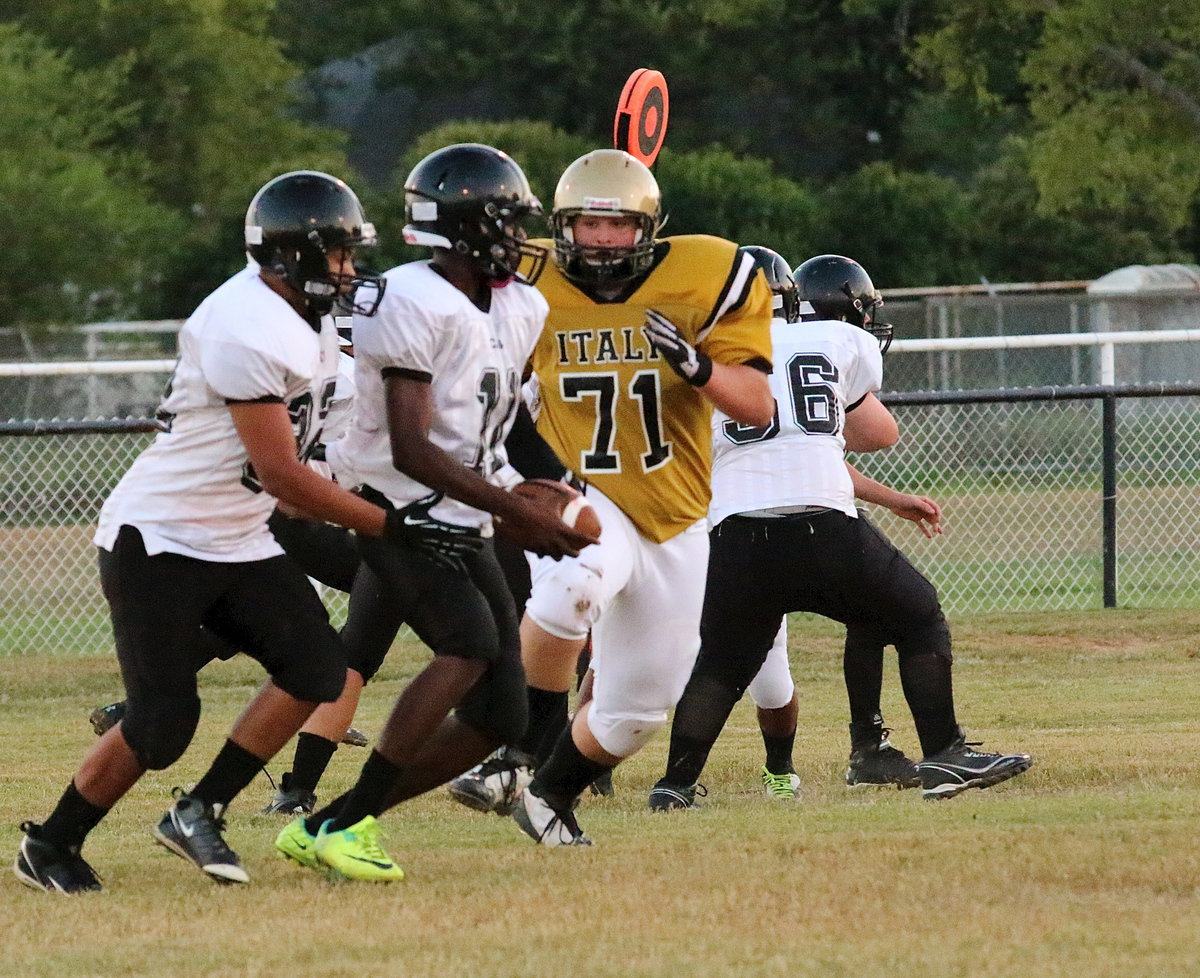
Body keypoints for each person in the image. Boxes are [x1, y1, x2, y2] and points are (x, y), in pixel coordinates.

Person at [13, 170, 410, 893]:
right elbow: (283, 475)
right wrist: (391, 528)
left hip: (240, 533)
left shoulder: (312, 324)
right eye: (339, 253)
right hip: (161, 538)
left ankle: (199, 810)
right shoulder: (244, 321)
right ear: (294, 254)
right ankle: (51, 843)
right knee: (163, 724)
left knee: (316, 670)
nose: (349, 269)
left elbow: (321, 460)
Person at [273, 143, 598, 881]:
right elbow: (413, 447)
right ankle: (344, 826)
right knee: (466, 648)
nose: (520, 238)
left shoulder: (522, 304)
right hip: (400, 507)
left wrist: (537, 491)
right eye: (508, 222)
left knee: (503, 715)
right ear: (467, 227)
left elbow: (490, 433)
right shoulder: (407, 298)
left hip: (463, 510)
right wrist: (520, 514)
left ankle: (326, 822)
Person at [448, 148, 775, 845]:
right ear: (560, 226)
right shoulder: (522, 277)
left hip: (675, 510)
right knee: (574, 581)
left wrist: (698, 366)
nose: (601, 240)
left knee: (639, 707)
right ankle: (515, 752)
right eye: (586, 225)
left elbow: (756, 405)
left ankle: (548, 797)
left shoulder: (708, 273)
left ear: (648, 228)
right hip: (581, 487)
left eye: (618, 225)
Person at [648, 252, 1033, 810]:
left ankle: (673, 786)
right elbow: (850, 431)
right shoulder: (836, 338)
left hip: (736, 533)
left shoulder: (701, 359)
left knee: (722, 665)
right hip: (822, 525)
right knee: (919, 615)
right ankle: (944, 754)